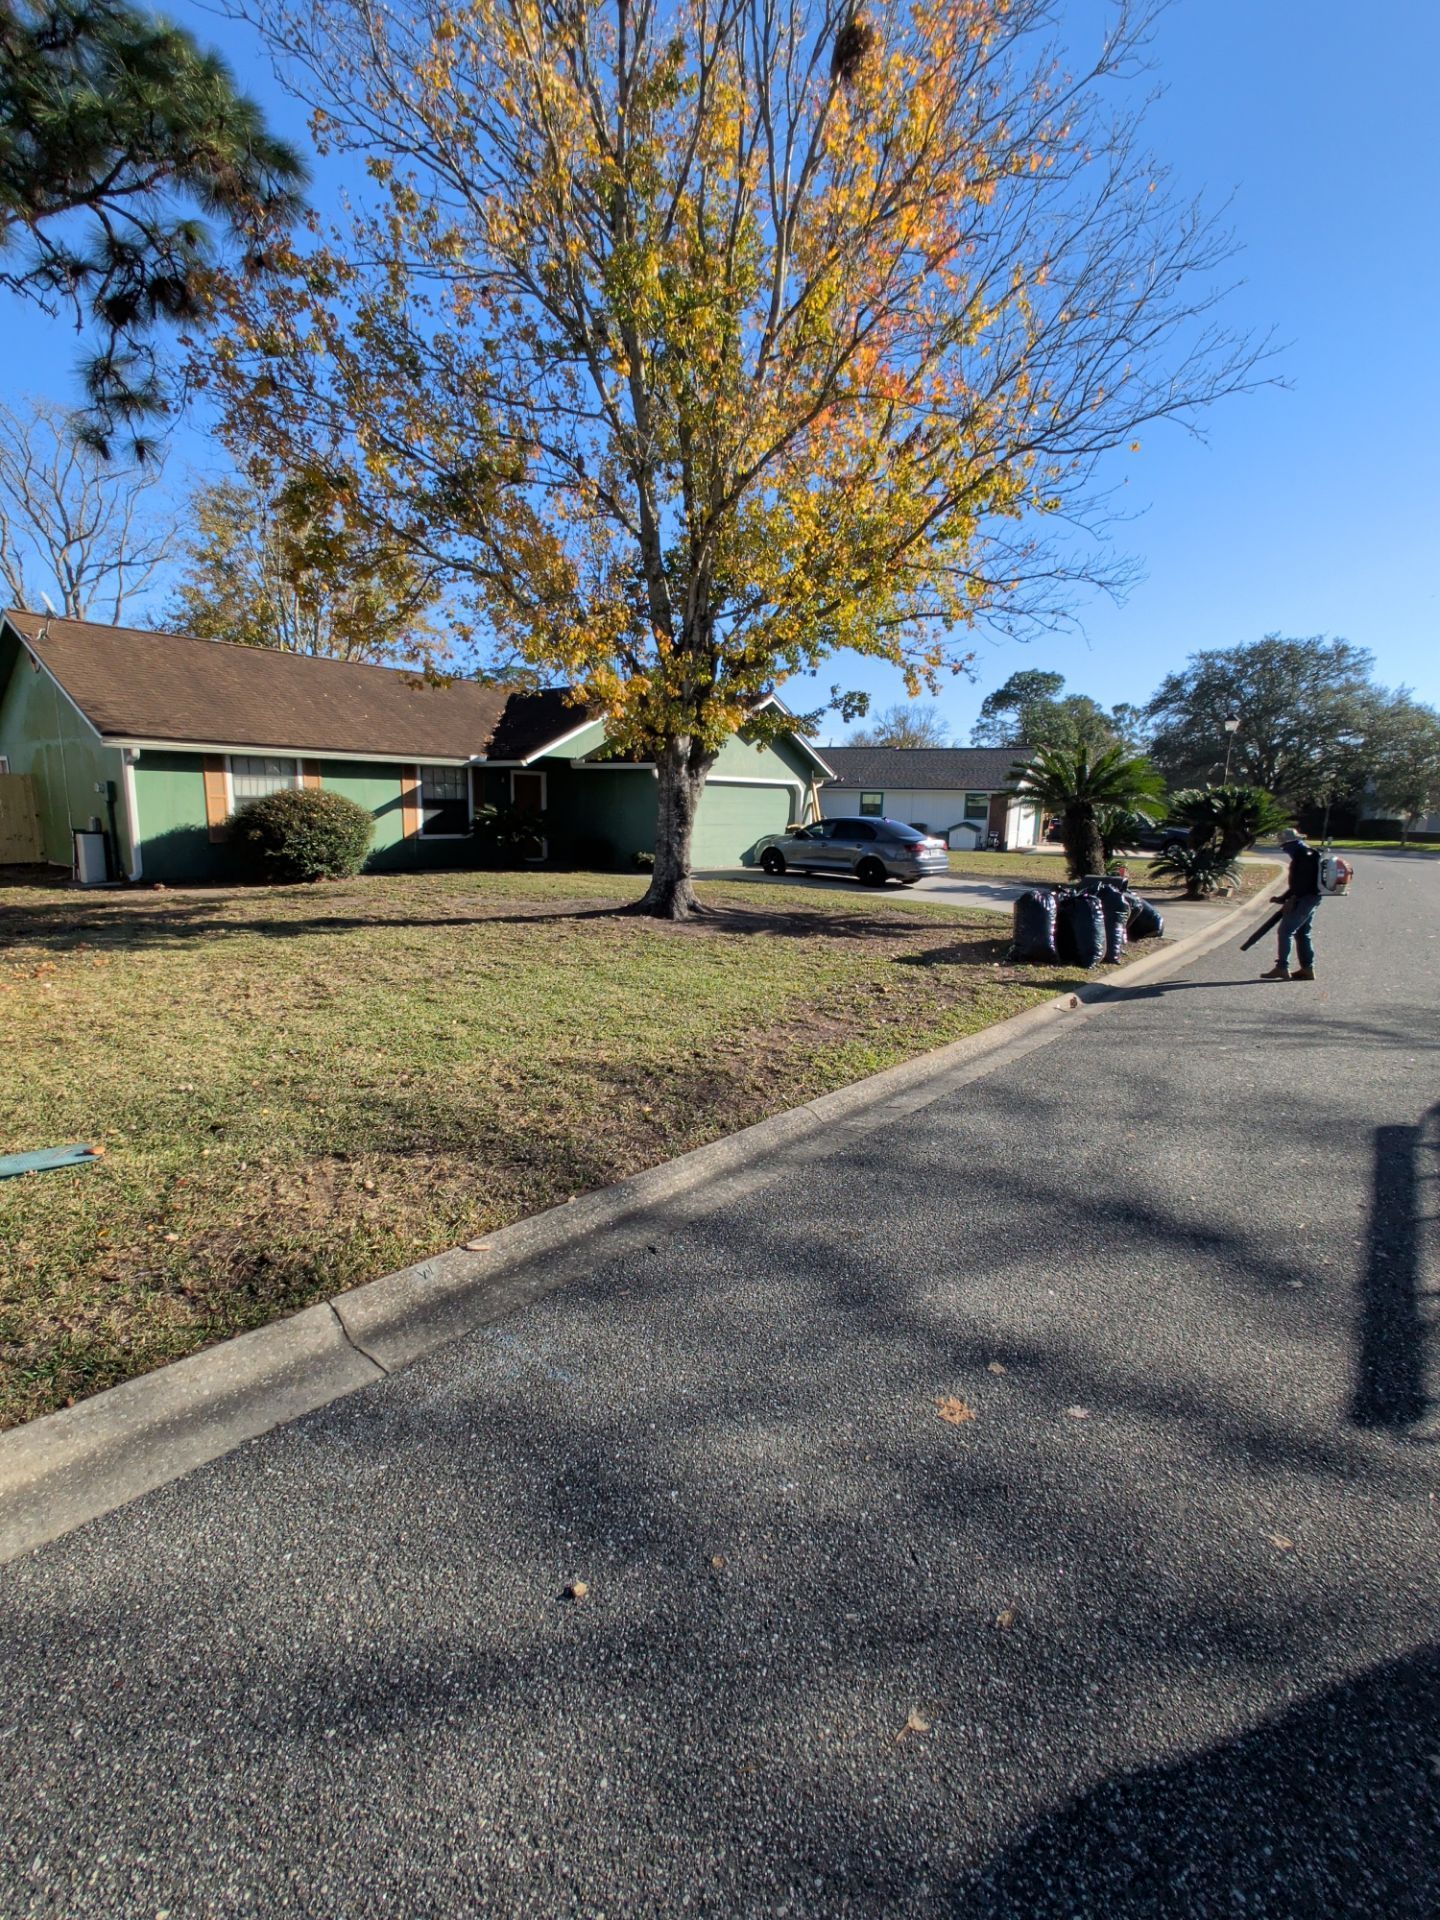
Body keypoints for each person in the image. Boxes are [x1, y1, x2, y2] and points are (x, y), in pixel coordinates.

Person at [1260, 827, 1322, 981]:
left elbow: (1299, 884)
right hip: (1312, 897)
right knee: (1303, 933)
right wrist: (1282, 898)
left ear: (1288, 843)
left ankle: (1282, 967)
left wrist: (1290, 899)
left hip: (1304, 898)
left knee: (1286, 931)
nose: (1282, 848)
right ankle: (1307, 968)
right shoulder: (1308, 853)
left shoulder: (1302, 856)